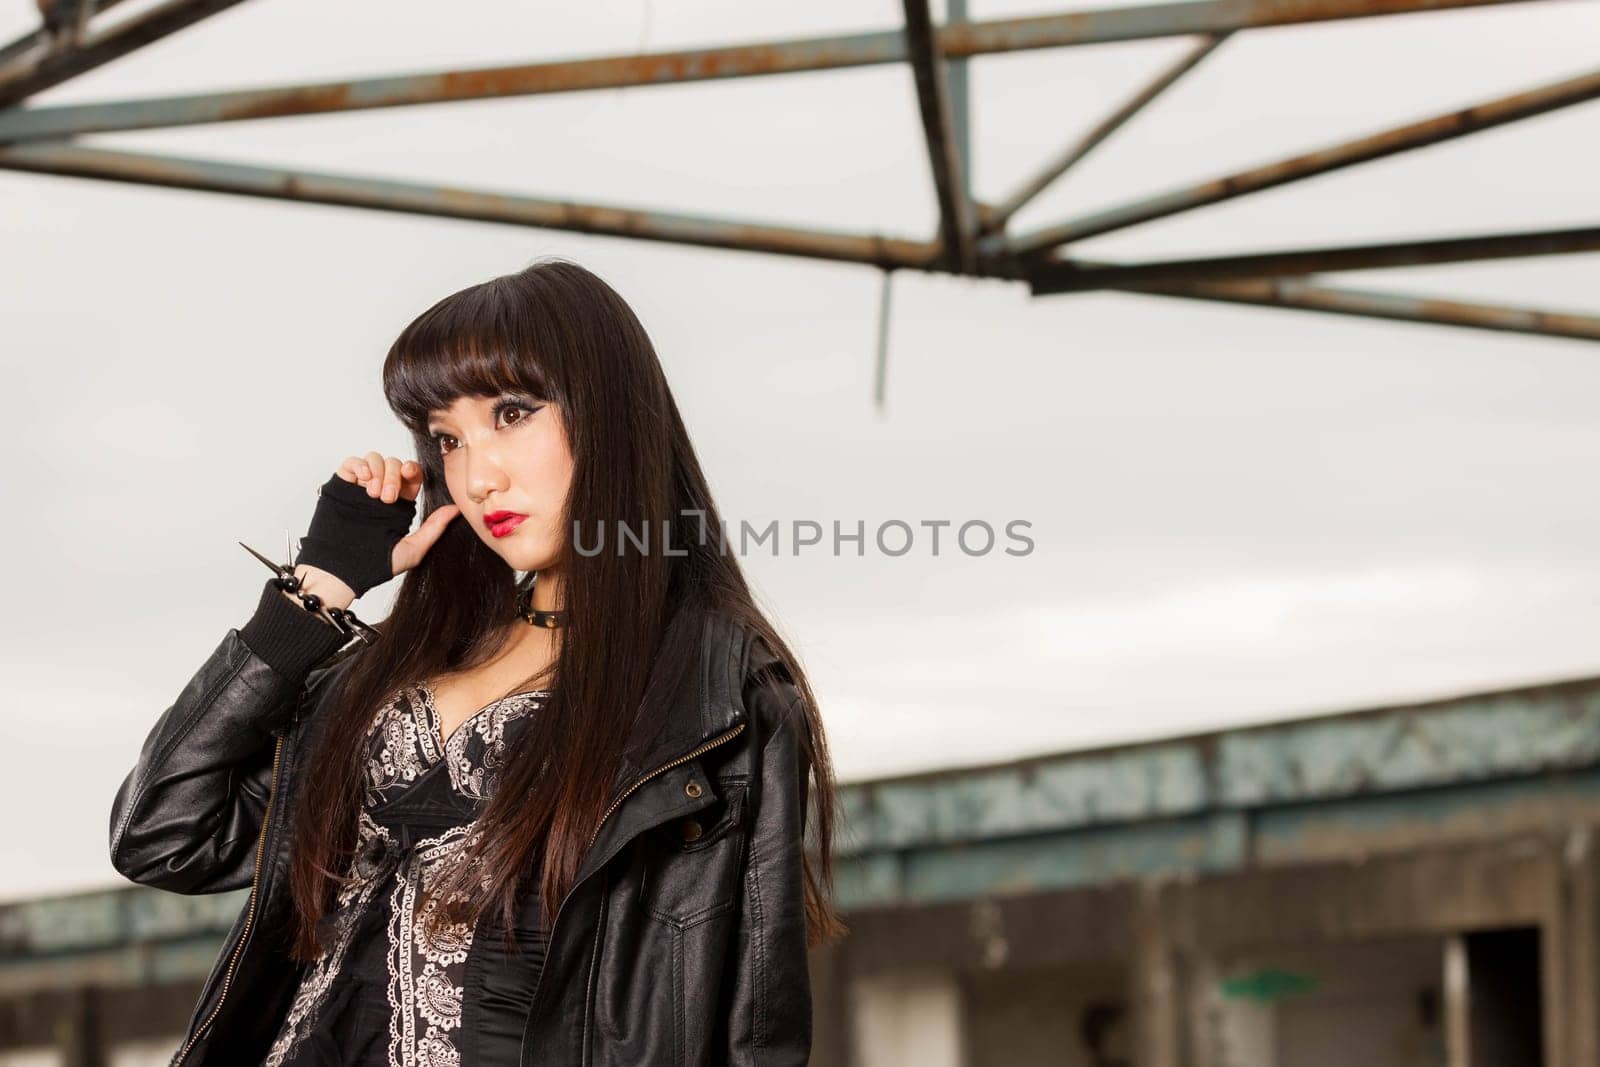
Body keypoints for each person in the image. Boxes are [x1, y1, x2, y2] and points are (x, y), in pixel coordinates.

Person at [108, 258, 847, 1067]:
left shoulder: (714, 691)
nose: (478, 472)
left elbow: (754, 1025)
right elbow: (164, 832)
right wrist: (314, 595)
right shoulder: (393, 669)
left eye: (513, 413)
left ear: (611, 413)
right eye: (447, 437)